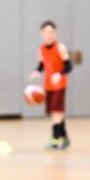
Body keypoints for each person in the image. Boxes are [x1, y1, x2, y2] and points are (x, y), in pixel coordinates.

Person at [29, 20, 73, 149]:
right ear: (41, 34)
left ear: (55, 33)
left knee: (56, 113)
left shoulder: (60, 47)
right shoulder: (42, 49)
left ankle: (55, 140)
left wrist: (59, 74)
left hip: (59, 85)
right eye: (46, 32)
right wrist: (37, 71)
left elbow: (69, 65)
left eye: (51, 32)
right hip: (48, 86)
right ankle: (65, 139)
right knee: (56, 114)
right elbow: (42, 64)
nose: (48, 35)